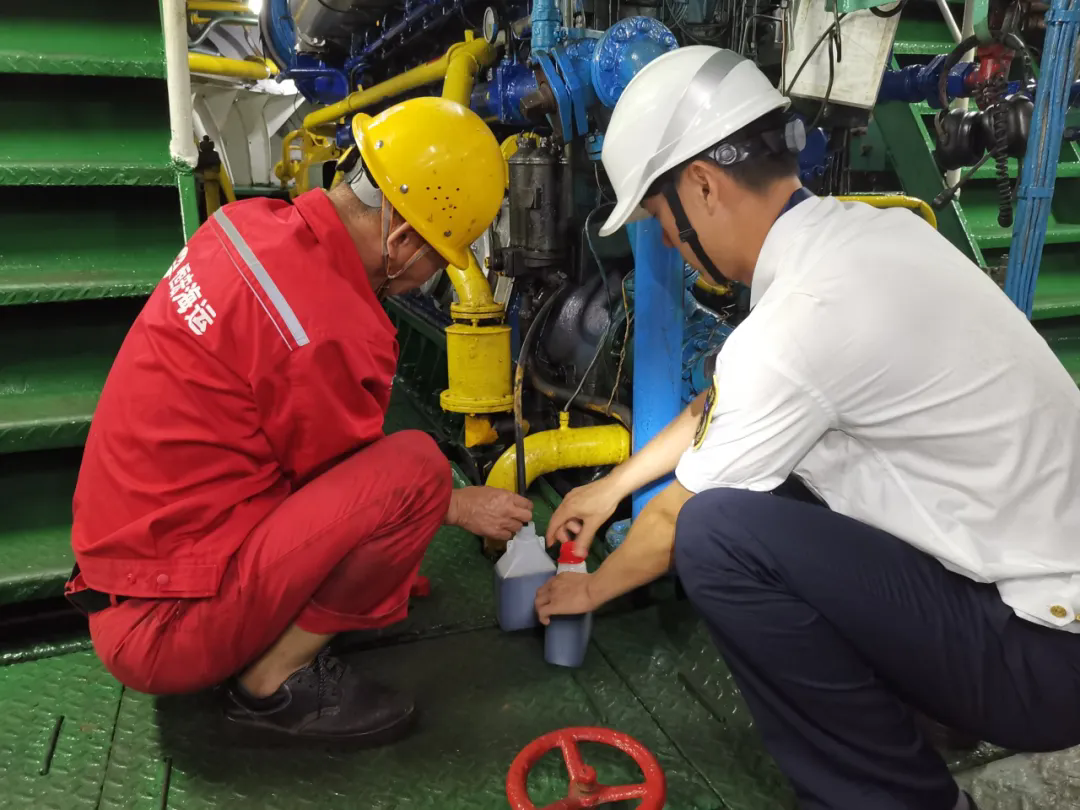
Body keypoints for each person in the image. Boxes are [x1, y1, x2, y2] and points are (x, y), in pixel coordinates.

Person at [536, 44, 1080, 810]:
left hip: (1044, 659)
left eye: (659, 219)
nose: (667, 243)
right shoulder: (873, 238)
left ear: (703, 186)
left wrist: (589, 589)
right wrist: (611, 486)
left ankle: (900, 799)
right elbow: (724, 404)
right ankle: (925, 711)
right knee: (771, 489)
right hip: (1042, 599)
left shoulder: (801, 320)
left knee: (718, 536)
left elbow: (674, 521)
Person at [66, 97, 533, 746]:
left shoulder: (243, 224)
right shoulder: (328, 330)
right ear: (401, 240)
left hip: (126, 575)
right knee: (418, 470)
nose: (431, 278)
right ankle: (273, 683)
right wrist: (450, 506)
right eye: (439, 260)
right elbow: (364, 487)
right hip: (167, 629)